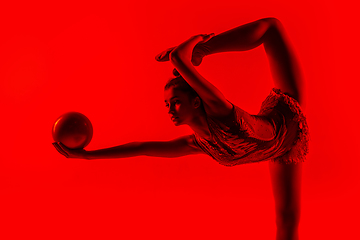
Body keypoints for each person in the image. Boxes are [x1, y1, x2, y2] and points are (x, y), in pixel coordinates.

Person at [53, 17, 309, 240]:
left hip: (289, 114)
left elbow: (178, 59)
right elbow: (142, 148)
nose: (169, 109)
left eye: (175, 102)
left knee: (272, 28)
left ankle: (206, 49)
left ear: (197, 101)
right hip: (280, 151)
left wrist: (197, 45)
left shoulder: (222, 112)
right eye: (166, 103)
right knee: (286, 220)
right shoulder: (199, 144)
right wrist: (87, 155)